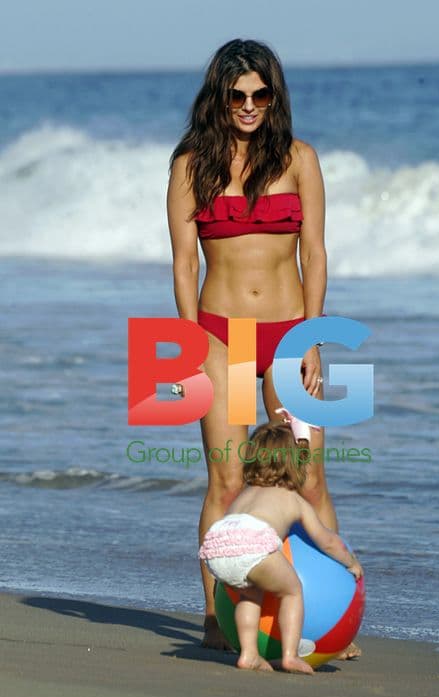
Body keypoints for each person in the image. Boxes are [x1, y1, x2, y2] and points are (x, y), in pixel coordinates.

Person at [167, 38, 360, 656]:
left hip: (288, 335)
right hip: (222, 334)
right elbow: (182, 262)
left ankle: (330, 621)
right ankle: (215, 617)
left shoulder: (300, 158)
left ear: (273, 97)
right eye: (237, 94)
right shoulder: (190, 163)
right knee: (225, 481)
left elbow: (316, 253)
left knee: (308, 480)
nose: (249, 105)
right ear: (219, 98)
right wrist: (190, 341)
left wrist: (312, 336)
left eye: (260, 93)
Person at [198, 422, 363, 674]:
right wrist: (350, 561)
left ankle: (249, 653)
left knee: (249, 594)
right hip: (253, 546)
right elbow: (326, 540)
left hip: (218, 547)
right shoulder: (293, 500)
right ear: (295, 465)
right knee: (293, 590)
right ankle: (289, 655)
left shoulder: (245, 494)